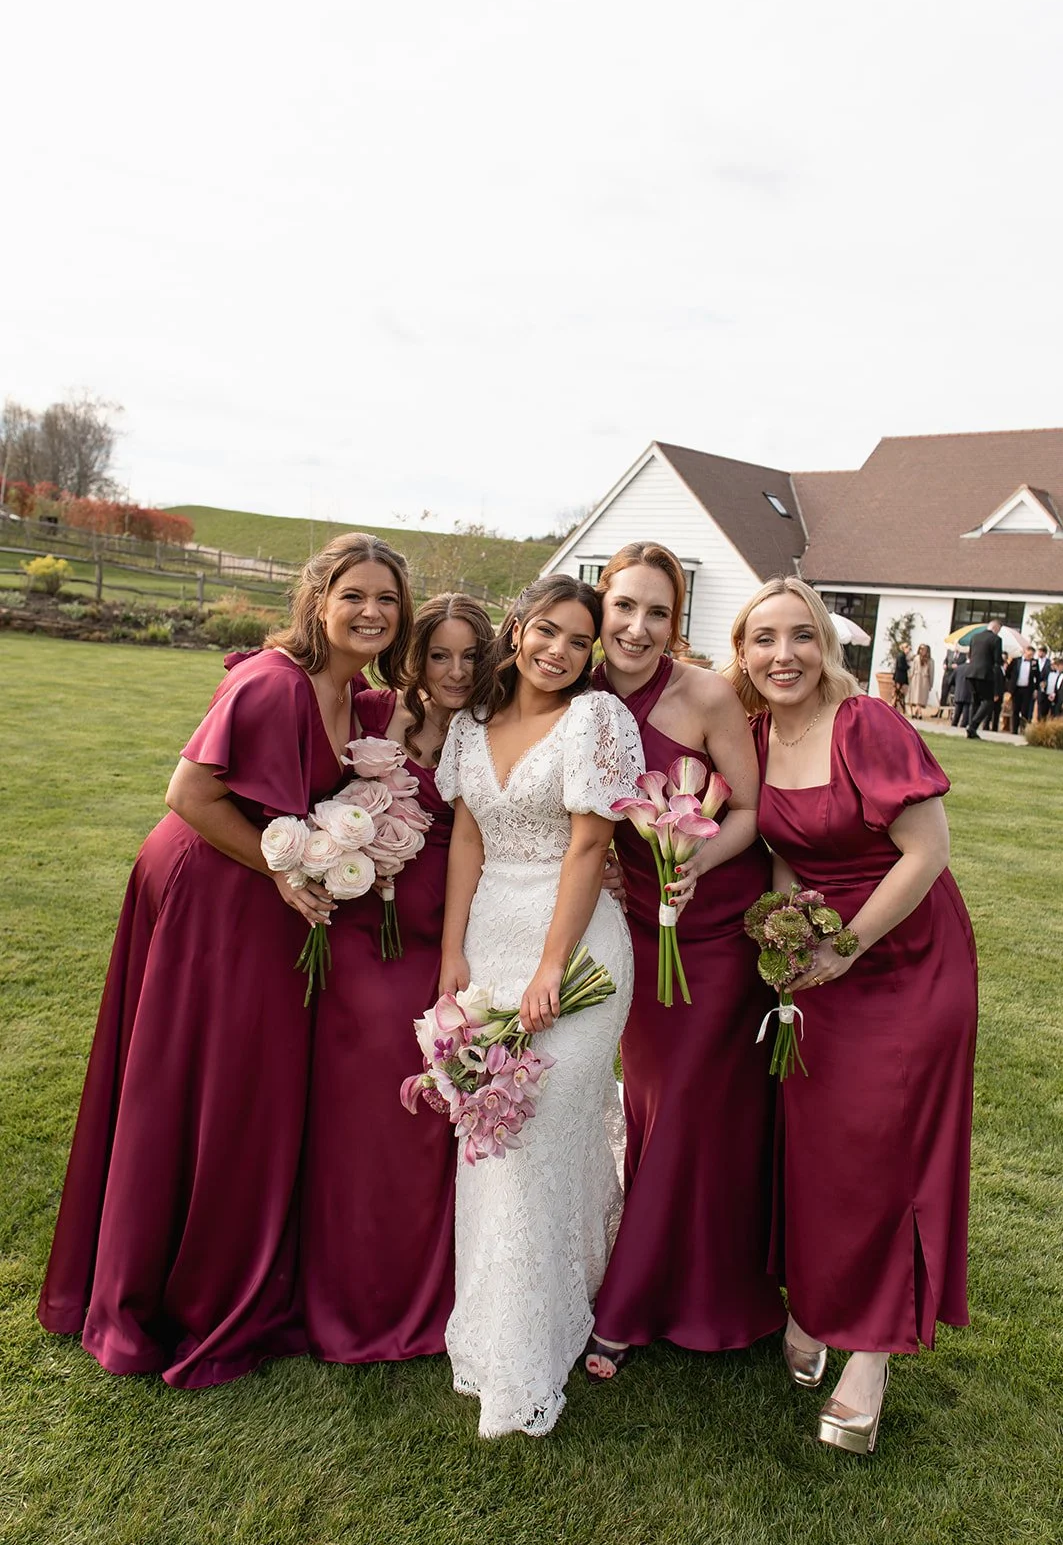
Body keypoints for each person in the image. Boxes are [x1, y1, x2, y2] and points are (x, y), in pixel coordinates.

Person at [37, 533, 413, 1387]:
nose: (371, 612)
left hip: (254, 891)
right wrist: (284, 868)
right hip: (209, 887)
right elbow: (189, 794)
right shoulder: (271, 683)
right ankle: (156, 1292)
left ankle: (218, 1263)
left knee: (235, 1082)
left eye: (386, 599)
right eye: (353, 593)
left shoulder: (353, 693)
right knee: (197, 1080)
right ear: (319, 597)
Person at [725, 575, 977, 1456]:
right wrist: (789, 940)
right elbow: (788, 854)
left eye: (799, 636)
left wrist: (847, 947)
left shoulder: (865, 725)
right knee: (821, 1147)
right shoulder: (753, 734)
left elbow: (927, 851)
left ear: (826, 645)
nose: (781, 655)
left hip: (906, 958)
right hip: (822, 962)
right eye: (763, 639)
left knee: (885, 1150)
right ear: (742, 651)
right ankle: (820, 1309)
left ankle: (870, 1350)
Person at [436, 575, 641, 1437]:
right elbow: (467, 841)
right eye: (546, 631)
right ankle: (506, 1313)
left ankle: (536, 1337)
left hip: (578, 950)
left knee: (543, 1129)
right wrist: (452, 951)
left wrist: (552, 966)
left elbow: (590, 842)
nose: (558, 651)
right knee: (494, 1136)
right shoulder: (468, 728)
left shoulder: (597, 722)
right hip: (489, 942)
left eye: (577, 641)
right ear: (516, 630)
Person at [581, 542, 783, 1380]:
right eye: (624, 607)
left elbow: (749, 807)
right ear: (600, 608)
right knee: (656, 1108)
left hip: (713, 925)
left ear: (677, 620)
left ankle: (629, 1307)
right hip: (632, 930)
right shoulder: (573, 694)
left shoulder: (703, 694)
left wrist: (692, 861)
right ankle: (698, 1280)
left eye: (657, 612)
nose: (637, 627)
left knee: (694, 1106)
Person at [300, 593, 495, 1363]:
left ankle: (422, 1286)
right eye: (438, 654)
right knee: (360, 1107)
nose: (453, 672)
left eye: (469, 657)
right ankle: (342, 1283)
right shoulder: (371, 711)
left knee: (427, 1111)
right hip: (364, 930)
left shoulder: (492, 728)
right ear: (414, 656)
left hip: (451, 935)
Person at [964, 619, 1003, 738]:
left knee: (975, 701)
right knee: (988, 701)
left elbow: (971, 655)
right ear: (996, 628)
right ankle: (973, 725)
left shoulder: (975, 637)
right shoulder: (996, 639)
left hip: (971, 672)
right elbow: (997, 661)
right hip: (985, 674)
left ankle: (971, 730)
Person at [1006, 647, 1039, 733]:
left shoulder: (1034, 663)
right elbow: (1008, 672)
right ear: (1025, 652)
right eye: (1029, 654)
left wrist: (1036, 689)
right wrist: (1011, 684)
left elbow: (1037, 676)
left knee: (1025, 710)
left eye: (1032, 655)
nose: (1030, 656)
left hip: (1027, 689)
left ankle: (1023, 729)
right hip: (1016, 688)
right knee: (1015, 710)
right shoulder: (1016, 661)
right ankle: (1014, 730)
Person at [907, 643, 934, 719]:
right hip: (921, 679)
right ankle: (919, 712)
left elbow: (931, 673)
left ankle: (917, 712)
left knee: (918, 697)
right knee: (918, 697)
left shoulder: (928, 660)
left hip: (920, 679)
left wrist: (910, 678)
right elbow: (931, 673)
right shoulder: (920, 659)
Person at [950, 655, 973, 729]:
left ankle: (953, 727)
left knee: (956, 714)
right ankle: (962, 729)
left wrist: (957, 685)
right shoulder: (973, 669)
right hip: (968, 694)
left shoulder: (959, 668)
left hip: (959, 692)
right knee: (965, 716)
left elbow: (950, 680)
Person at [891, 645, 910, 713]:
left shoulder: (901, 655)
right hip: (900, 677)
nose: (909, 650)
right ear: (904, 648)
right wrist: (908, 667)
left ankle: (895, 705)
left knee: (898, 692)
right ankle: (894, 705)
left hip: (898, 676)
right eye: (908, 648)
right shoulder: (902, 656)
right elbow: (901, 666)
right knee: (898, 692)